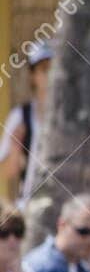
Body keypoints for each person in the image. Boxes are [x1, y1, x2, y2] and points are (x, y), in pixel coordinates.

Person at [0, 42, 50, 201]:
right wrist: (15, 149)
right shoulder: (20, 116)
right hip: (29, 204)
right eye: (44, 69)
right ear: (33, 75)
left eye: (54, 68)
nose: (50, 75)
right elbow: (4, 170)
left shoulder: (72, 116)